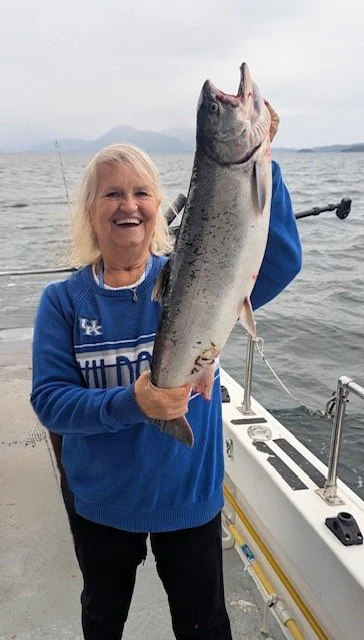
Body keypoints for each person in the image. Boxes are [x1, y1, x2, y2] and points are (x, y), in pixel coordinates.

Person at [30, 105, 302, 640]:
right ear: (90, 210)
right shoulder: (62, 302)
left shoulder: (200, 277)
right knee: (103, 618)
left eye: (140, 193)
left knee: (204, 626)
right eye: (112, 193)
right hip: (101, 503)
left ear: (157, 207)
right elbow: (51, 402)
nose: (127, 205)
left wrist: (263, 167)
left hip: (188, 497)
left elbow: (280, 262)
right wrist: (137, 403)